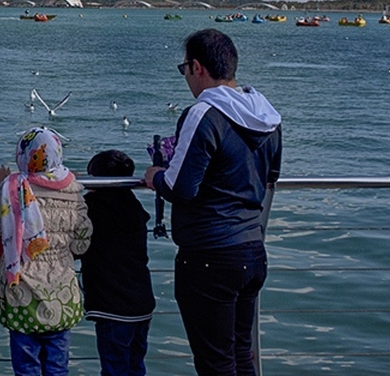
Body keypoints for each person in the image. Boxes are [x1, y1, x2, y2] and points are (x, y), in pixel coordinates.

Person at [141, 29, 282, 376]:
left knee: (215, 364)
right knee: (241, 355)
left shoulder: (203, 113)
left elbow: (180, 188)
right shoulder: (267, 115)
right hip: (252, 250)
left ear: (197, 67)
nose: (186, 76)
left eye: (184, 68)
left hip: (209, 257)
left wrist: (154, 175)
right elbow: (270, 177)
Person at [0, 127, 91, 376]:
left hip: (22, 297)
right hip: (62, 296)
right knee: (58, 367)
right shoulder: (73, 190)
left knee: (26, 368)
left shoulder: (12, 188)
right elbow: (81, 244)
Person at [80, 149, 155, 376]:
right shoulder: (134, 208)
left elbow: (78, 244)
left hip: (111, 305)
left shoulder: (92, 208)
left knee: (114, 368)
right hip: (141, 301)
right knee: (135, 366)